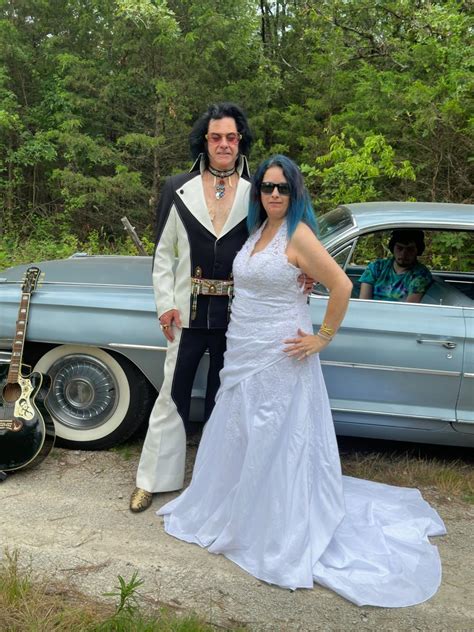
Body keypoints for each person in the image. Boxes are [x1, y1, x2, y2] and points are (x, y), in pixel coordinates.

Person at [157, 155, 446, 607]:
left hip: (281, 354)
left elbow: (342, 286)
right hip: (244, 348)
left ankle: (271, 522)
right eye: (267, 187)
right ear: (259, 192)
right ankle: (234, 506)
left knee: (275, 436)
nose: (274, 194)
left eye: (283, 188)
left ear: (295, 192)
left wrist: (322, 337)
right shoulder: (257, 230)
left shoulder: (299, 234)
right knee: (239, 431)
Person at [130, 104, 312, 513]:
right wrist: (165, 305)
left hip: (239, 318)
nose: (224, 144)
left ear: (240, 140)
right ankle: (152, 480)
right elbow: (163, 255)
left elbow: (281, 238)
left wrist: (305, 271)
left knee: (226, 400)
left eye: (231, 137)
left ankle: (218, 485)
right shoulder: (177, 188)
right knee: (172, 395)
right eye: (216, 137)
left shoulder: (257, 191)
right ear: (205, 140)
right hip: (186, 312)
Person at [359, 229, 432, 302]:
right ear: (392, 248)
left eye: (410, 249)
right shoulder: (377, 267)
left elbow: (409, 307)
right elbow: (363, 302)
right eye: (399, 248)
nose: (404, 254)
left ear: (418, 250)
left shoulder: (421, 275)